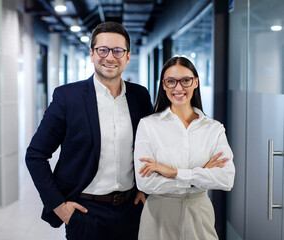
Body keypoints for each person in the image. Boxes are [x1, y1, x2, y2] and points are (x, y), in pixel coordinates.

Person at [26, 21, 153, 240]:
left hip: (131, 210)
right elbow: (36, 155)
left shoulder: (139, 96)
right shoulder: (68, 97)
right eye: (102, 50)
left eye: (118, 51)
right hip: (85, 213)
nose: (110, 57)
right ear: (92, 54)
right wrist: (58, 205)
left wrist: (145, 190)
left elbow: (152, 147)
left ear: (128, 56)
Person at [134, 56, 235, 240]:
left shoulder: (214, 129)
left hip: (200, 215)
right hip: (159, 215)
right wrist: (201, 174)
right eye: (171, 81)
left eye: (186, 80)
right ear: (163, 85)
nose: (178, 88)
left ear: (196, 82)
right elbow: (145, 183)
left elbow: (226, 179)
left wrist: (172, 172)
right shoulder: (148, 126)